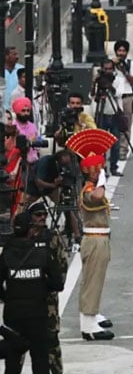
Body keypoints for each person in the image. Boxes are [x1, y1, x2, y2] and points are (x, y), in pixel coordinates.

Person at [64, 129, 119, 340]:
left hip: (100, 239)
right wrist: (102, 180)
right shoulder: (89, 189)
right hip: (95, 240)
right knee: (92, 281)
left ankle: (92, 315)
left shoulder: (91, 186)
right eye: (100, 169)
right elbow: (97, 197)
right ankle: (88, 326)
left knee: (96, 279)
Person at [0, 211, 64, 374]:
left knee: (13, 360)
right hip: (37, 314)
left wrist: (8, 297)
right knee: (40, 360)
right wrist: (41, 285)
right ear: (30, 230)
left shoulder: (7, 252)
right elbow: (58, 283)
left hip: (13, 314)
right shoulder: (41, 253)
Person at [27, 201, 68, 374]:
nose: (42, 218)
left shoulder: (52, 237)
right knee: (21, 340)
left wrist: (55, 284)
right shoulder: (22, 238)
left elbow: (62, 263)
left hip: (48, 297)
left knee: (51, 339)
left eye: (44, 215)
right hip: (27, 296)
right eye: (38, 215)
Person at [113, 40, 133, 161]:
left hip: (127, 97)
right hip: (114, 97)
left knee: (126, 125)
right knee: (113, 125)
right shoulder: (111, 64)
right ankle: (114, 150)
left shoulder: (131, 64)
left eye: (123, 51)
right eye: (119, 50)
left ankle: (123, 150)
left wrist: (124, 70)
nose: (121, 53)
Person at [12, 97, 40, 164]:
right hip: (18, 163)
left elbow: (38, 144)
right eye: (23, 111)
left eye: (28, 111)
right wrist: (29, 141)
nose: (26, 113)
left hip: (34, 163)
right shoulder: (13, 126)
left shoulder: (33, 126)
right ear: (17, 111)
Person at [4, 47, 24, 112]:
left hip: (19, 109)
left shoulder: (22, 69)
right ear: (6, 56)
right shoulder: (1, 71)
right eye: (14, 54)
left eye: (17, 54)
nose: (17, 57)